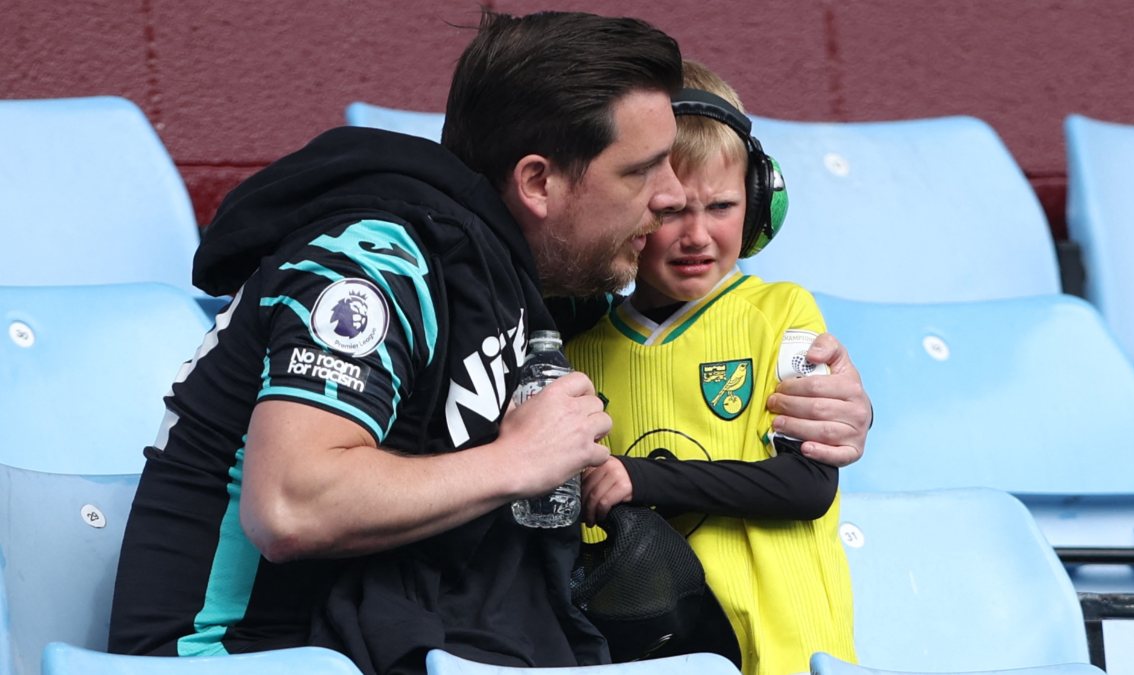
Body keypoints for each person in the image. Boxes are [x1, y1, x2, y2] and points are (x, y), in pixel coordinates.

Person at [107, 10, 870, 673]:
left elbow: (684, 337)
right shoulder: (376, 263)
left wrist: (828, 401)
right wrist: (518, 460)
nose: (670, 197)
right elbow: (290, 504)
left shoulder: (519, 283)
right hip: (234, 655)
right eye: (641, 171)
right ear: (538, 183)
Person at [567, 60, 857, 675]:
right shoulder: (579, 348)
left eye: (722, 206)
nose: (697, 235)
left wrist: (641, 478)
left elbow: (807, 486)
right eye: (672, 211)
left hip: (786, 648)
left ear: (758, 206)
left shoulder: (783, 312)